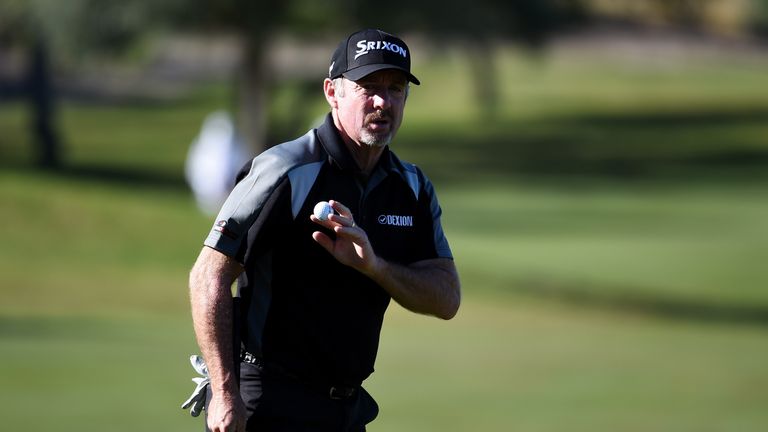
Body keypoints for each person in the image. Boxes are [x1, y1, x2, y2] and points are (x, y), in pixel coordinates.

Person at [188, 28, 461, 432]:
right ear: (333, 92)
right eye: (368, 87)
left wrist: (375, 267)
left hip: (346, 409)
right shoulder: (286, 171)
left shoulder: (412, 188)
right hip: (265, 401)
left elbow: (446, 298)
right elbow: (208, 275)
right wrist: (225, 395)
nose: (383, 101)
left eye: (396, 88)